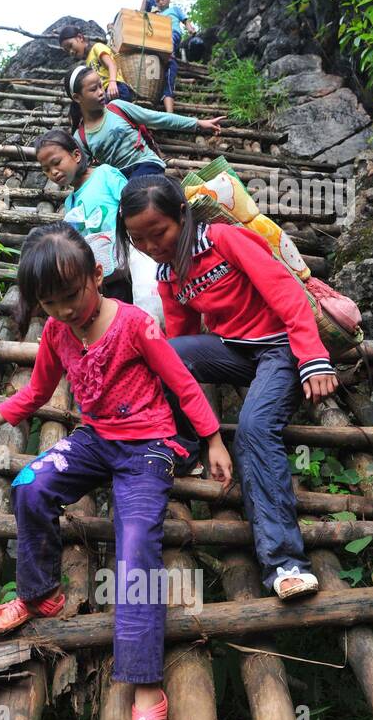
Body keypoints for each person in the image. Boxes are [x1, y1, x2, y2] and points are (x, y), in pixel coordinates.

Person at [0, 224, 233, 720]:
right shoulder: (55, 331)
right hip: (95, 441)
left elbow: (184, 383)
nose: (66, 310)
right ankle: (41, 591)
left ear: (97, 276)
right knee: (30, 487)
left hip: (148, 446)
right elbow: (35, 393)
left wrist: (212, 439)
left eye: (72, 296)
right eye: (51, 302)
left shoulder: (135, 325)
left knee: (137, 543)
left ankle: (147, 692)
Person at [117, 174, 341, 602]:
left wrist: (313, 357)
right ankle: (182, 449)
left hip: (280, 350)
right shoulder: (169, 273)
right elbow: (180, 341)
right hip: (235, 352)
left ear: (182, 215)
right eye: (137, 239)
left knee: (255, 428)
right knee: (164, 352)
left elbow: (286, 295)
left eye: (158, 232)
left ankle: (285, 562)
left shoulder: (225, 240)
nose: (150, 245)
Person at [64, 65, 225, 179]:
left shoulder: (117, 107)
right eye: (93, 89)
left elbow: (157, 118)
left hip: (146, 164)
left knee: (138, 194)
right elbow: (85, 172)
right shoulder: (81, 137)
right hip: (120, 179)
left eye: (101, 86)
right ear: (77, 97)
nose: (101, 92)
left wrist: (197, 123)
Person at [33, 129, 131, 301]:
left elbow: (132, 204)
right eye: (46, 169)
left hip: (127, 269)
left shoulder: (105, 174)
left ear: (76, 155)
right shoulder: (70, 202)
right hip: (99, 278)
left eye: (56, 162)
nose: (53, 172)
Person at [152, 0, 199, 112]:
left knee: (170, 39)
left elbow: (185, 20)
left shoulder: (175, 9)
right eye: (158, 1)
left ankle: (169, 54)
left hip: (173, 33)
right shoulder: (157, 14)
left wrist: (190, 28)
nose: (161, 2)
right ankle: (166, 56)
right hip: (161, 37)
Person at [59, 27, 134, 102]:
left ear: (80, 37)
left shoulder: (97, 47)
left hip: (116, 88)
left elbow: (111, 64)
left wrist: (112, 82)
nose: (71, 52)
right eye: (67, 51)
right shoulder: (88, 61)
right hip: (105, 92)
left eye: (70, 46)